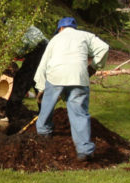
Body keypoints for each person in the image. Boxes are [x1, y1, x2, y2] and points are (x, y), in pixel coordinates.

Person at [33, 17, 109, 161]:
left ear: (60, 28)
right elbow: (104, 47)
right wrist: (94, 66)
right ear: (74, 27)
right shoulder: (85, 36)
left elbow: (43, 64)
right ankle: (84, 150)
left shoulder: (55, 40)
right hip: (78, 76)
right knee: (79, 113)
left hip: (56, 75)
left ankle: (43, 133)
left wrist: (41, 87)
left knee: (47, 106)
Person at [5, 25, 48, 123]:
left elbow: (19, 50)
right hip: (42, 50)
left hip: (39, 51)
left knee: (22, 81)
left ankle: (11, 117)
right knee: (38, 81)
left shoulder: (10, 29)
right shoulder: (16, 23)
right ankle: (45, 115)